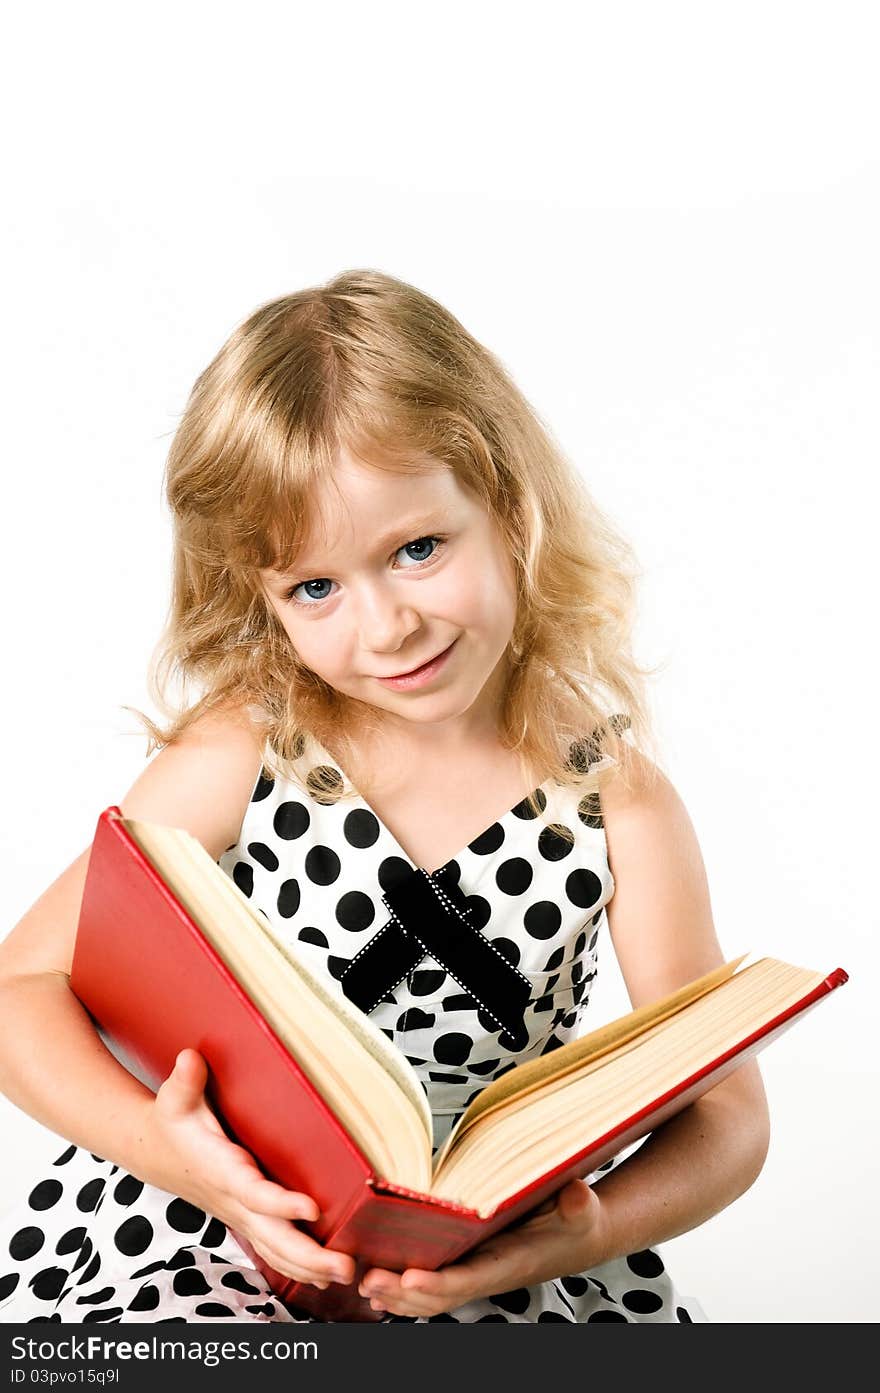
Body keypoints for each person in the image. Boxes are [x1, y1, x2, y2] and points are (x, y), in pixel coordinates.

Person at [0, 269, 769, 1324]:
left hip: (492, 1257)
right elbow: (22, 986)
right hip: (221, 1226)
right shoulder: (245, 752)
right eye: (315, 587)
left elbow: (725, 1111)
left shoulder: (619, 809)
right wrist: (164, 1152)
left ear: (507, 503)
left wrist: (591, 1227)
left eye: (417, 550)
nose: (385, 626)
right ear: (260, 596)